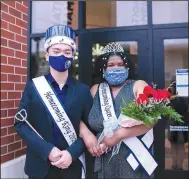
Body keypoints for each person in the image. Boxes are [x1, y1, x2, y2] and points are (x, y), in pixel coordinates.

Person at [14, 25, 93, 179]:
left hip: (72, 166)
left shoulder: (83, 91)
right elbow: (20, 123)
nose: (62, 55)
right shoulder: (33, 86)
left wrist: (72, 153)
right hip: (39, 166)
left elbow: (90, 129)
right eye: (56, 51)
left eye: (67, 52)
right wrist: (47, 150)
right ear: (47, 55)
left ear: (72, 56)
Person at [80, 42, 156, 179]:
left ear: (127, 67)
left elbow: (152, 118)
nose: (116, 68)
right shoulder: (95, 90)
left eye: (120, 64)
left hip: (134, 161)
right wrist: (86, 135)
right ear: (103, 68)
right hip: (104, 161)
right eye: (111, 65)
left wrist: (119, 134)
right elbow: (78, 117)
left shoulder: (138, 85)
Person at [167, 81, 188, 170]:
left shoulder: (184, 96)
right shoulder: (171, 96)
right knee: (175, 145)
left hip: (182, 122)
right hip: (175, 122)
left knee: (179, 145)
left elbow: (184, 106)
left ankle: (178, 165)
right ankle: (175, 164)